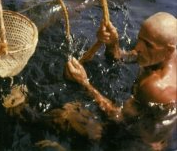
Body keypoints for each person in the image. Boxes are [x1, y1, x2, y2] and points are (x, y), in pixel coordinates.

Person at [65, 12, 177, 150]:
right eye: (140, 39)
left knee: (66, 115)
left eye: (147, 45)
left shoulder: (155, 87)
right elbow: (125, 57)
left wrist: (84, 83)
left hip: (138, 143)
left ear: (169, 49)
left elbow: (118, 118)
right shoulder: (161, 54)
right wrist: (113, 44)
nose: (137, 48)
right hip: (150, 129)